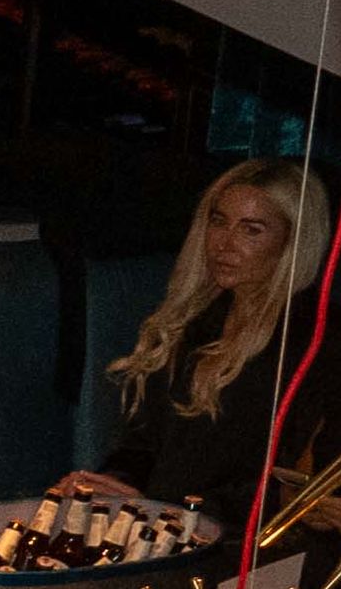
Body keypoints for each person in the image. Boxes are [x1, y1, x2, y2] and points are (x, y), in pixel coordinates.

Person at [58, 155, 325, 522]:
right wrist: (112, 485)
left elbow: (289, 483)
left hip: (238, 539)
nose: (225, 244)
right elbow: (143, 445)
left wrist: (174, 509)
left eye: (251, 230)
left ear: (294, 240)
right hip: (158, 524)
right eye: (219, 222)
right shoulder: (191, 323)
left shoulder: (315, 342)